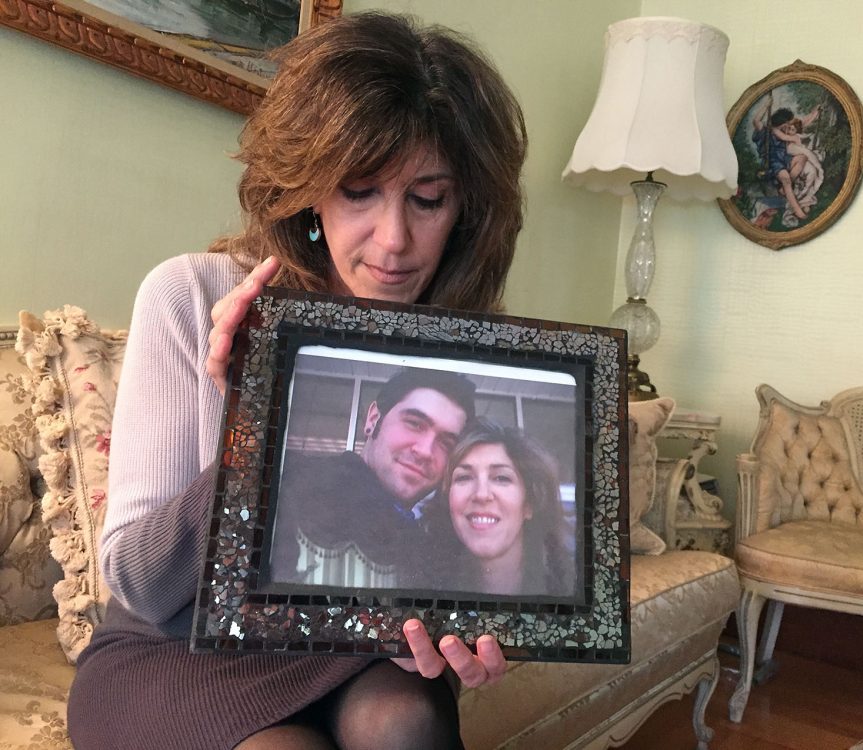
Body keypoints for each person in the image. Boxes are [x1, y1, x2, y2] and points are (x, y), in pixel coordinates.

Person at [67, 10, 527, 750]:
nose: (394, 241)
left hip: (349, 644)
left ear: (464, 209)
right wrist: (261, 418)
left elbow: (468, 570)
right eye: (359, 191)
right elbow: (142, 585)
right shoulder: (191, 294)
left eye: (427, 198)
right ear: (310, 189)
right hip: (174, 649)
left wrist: (487, 626)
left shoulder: (461, 341)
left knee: (404, 721)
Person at [269, 368, 476, 589]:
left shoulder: (431, 547)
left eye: (446, 443)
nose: (426, 451)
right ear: (373, 419)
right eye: (415, 423)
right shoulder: (287, 485)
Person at [424, 420, 574, 598]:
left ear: (529, 504)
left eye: (501, 478)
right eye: (464, 477)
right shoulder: (424, 586)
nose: (481, 494)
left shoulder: (573, 587)